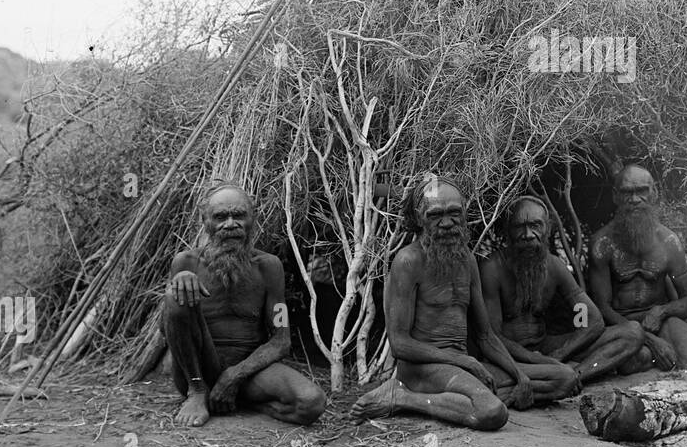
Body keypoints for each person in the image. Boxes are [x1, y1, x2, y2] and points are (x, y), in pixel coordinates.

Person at [350, 175, 573, 431]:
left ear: (464, 213)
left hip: (460, 366)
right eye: (436, 215)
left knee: (563, 378)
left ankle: (464, 400)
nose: (447, 223)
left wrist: (519, 375)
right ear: (420, 218)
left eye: (454, 213)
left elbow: (486, 335)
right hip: (423, 370)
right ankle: (403, 397)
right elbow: (400, 344)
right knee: (491, 412)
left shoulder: (465, 257)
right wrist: (465, 362)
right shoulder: (408, 262)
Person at [162, 183, 326, 428]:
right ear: (204, 220)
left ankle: (240, 401)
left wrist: (234, 376)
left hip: (249, 370)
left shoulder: (269, 267)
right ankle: (197, 393)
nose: (230, 224)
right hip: (198, 369)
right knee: (176, 294)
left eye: (238, 215)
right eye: (220, 217)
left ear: (253, 218)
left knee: (311, 402)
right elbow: (168, 328)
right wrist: (177, 284)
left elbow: (281, 341)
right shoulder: (186, 262)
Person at [479, 195, 644, 385]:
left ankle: (575, 376)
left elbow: (590, 320)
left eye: (535, 225)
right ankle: (559, 377)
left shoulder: (554, 266)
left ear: (547, 229)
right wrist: (537, 360)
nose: (528, 234)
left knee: (632, 332)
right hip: (509, 358)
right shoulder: (492, 268)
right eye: (519, 227)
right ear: (507, 231)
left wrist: (560, 353)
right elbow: (492, 336)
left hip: (547, 350)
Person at [588, 164, 687, 373]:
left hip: (662, 321)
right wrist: (648, 339)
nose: (635, 200)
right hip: (621, 328)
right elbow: (602, 309)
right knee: (639, 359)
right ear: (615, 196)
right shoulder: (602, 244)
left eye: (642, 191)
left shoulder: (669, 241)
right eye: (627, 193)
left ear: (654, 193)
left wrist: (661, 311)